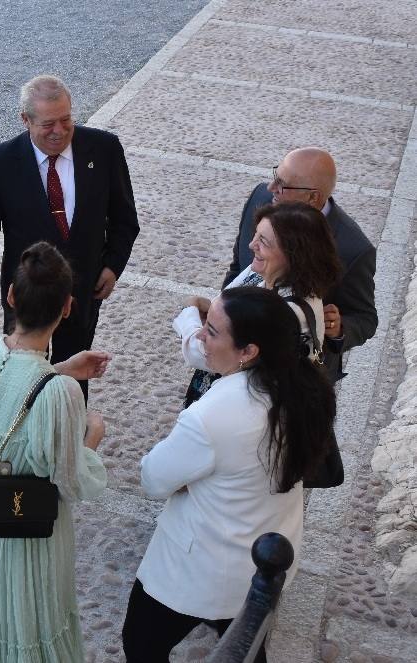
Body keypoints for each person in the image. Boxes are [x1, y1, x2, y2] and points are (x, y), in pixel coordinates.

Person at [122, 286, 338, 662]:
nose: (202, 337)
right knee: (248, 648)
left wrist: (192, 480)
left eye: (212, 331)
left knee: (142, 644)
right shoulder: (305, 389)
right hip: (266, 558)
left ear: (249, 351)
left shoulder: (212, 415)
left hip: (199, 568)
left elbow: (153, 479)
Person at [0, 241, 110, 662]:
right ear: (68, 308)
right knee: (29, 622)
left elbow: (4, 400)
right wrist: (91, 437)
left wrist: (60, 369)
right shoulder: (62, 397)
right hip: (27, 527)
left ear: (12, 296)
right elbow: (72, 483)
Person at [0, 74, 139, 398]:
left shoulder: (103, 150)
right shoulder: (0, 162)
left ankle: (68, 437)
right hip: (26, 297)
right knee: (18, 375)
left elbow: (125, 220)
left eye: (65, 120)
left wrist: (113, 266)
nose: (59, 131)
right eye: (48, 124)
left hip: (84, 292)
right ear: (25, 119)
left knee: (73, 377)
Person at [224, 147, 377, 382]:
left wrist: (338, 327)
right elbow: (238, 265)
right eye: (275, 176)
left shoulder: (353, 248)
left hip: (297, 381)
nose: (270, 188)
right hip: (237, 357)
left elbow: (365, 319)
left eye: (282, 185)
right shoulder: (260, 199)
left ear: (313, 197)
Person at [179, 202, 341, 404]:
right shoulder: (265, 272)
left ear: (293, 254)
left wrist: (189, 312)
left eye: (263, 241)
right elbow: (229, 311)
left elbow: (204, 351)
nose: (251, 245)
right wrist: (213, 310)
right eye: (256, 234)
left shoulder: (286, 313)